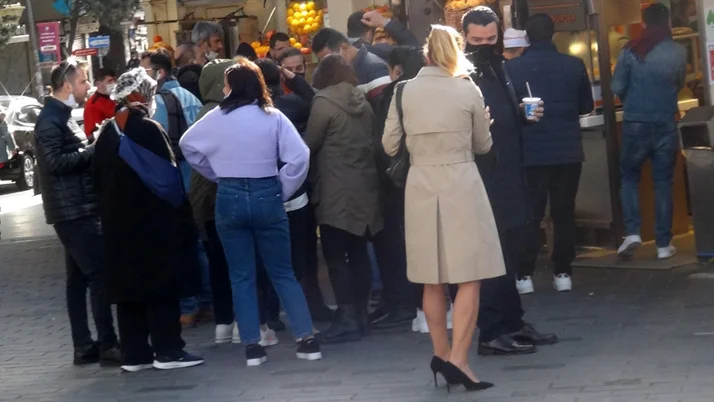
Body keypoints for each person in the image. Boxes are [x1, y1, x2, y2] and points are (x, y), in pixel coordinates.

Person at [180, 58, 321, 367]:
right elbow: (299, 157)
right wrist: (281, 188)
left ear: (231, 87)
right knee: (282, 271)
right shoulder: (273, 117)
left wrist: (216, 172)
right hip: (267, 192)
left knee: (241, 275)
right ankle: (306, 339)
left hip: (229, 196)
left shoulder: (217, 117)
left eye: (226, 84)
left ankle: (252, 346)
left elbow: (187, 144)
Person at [382, 24, 501, 392]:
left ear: (426, 54)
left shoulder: (403, 91)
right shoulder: (466, 88)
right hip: (461, 184)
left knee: (431, 278)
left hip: (420, 186)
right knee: (469, 276)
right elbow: (483, 146)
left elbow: (389, 146)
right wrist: (485, 124)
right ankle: (460, 360)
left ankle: (440, 352)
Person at [93, 67, 204, 372]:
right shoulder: (149, 129)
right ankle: (168, 350)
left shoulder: (106, 134)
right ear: (142, 94)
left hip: (118, 228)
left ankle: (135, 354)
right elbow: (169, 182)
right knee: (160, 287)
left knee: (128, 291)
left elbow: (96, 181)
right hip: (154, 226)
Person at [461, 6, 557, 356]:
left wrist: (522, 116)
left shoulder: (498, 65)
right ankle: (493, 329)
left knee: (511, 249)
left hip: (511, 169)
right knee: (491, 253)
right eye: (477, 40)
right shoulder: (461, 73)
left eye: (490, 38)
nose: (484, 44)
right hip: (484, 175)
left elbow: (505, 110)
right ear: (465, 38)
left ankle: (512, 321)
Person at [34, 60, 120, 366]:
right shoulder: (49, 121)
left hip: (76, 207)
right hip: (72, 211)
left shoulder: (62, 117)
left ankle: (84, 345)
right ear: (67, 86)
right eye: (83, 81)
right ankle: (108, 343)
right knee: (98, 275)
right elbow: (55, 163)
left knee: (78, 280)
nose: (88, 87)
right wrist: (93, 148)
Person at [507, 14, 594, 294]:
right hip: (568, 152)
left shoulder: (512, 69)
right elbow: (585, 106)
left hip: (530, 154)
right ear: (554, 35)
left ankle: (524, 275)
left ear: (527, 39)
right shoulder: (574, 65)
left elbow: (509, 113)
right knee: (563, 213)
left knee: (530, 214)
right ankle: (563, 272)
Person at [305, 54, 383, 343]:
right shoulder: (363, 101)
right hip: (365, 186)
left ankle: (347, 318)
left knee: (336, 255)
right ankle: (361, 314)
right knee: (359, 251)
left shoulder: (323, 103)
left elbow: (309, 144)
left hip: (335, 190)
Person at [255, 58, 333, 322]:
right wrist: (293, 78)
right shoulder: (293, 104)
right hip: (298, 188)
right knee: (305, 252)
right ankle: (313, 306)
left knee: (267, 254)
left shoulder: (252, 111)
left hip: (263, 189)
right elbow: (315, 99)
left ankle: (269, 314)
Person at [611, 3, 686, 260]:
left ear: (643, 23)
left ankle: (632, 232)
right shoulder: (678, 51)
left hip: (635, 123)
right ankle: (663, 245)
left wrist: (632, 98)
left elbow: (617, 84)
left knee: (629, 176)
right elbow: (678, 84)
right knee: (663, 182)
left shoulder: (631, 50)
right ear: (667, 23)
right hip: (665, 123)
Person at [147, 50, 211, 327]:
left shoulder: (158, 103)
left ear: (159, 73)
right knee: (201, 244)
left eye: (145, 71)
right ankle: (209, 301)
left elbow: (156, 147)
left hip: (175, 184)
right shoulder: (191, 97)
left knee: (182, 247)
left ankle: (188, 305)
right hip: (198, 179)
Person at [368, 46, 426, 330]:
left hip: (398, 180)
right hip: (433, 175)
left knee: (400, 243)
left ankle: (408, 303)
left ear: (396, 69)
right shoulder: (436, 91)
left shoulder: (393, 94)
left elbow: (385, 143)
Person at [312, 28, 391, 105]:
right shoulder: (338, 73)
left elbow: (384, 110)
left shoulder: (376, 68)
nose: (327, 66)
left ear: (344, 48)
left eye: (329, 59)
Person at [347, 9, 420, 61]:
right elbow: (416, 50)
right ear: (369, 34)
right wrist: (384, 22)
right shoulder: (378, 51)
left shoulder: (339, 53)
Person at [83, 68, 117, 139]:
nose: (113, 83)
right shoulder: (93, 105)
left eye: (114, 80)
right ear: (99, 84)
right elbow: (92, 135)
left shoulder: (115, 98)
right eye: (110, 81)